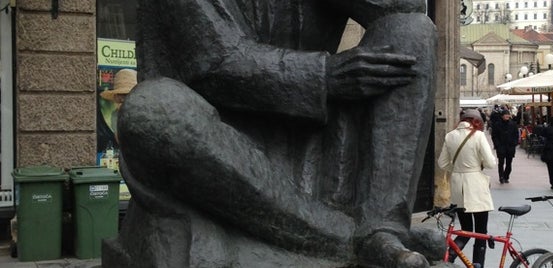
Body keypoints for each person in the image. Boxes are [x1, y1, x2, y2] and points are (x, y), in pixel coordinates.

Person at [112, 1, 438, 267]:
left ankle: (382, 228)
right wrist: (324, 76)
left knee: (411, 32)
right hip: (219, 138)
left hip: (317, 138)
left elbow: (403, 6)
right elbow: (215, 63)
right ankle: (341, 236)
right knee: (153, 109)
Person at [437, 108, 496, 267]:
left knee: (465, 229)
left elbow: (442, 163)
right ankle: (478, 265)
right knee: (481, 232)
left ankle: (449, 257)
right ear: (476, 121)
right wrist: (476, 166)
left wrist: (457, 169)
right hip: (476, 186)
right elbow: (491, 163)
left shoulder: (450, 136)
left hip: (457, 187)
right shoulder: (478, 135)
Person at [491, 110, 519, 183]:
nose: (507, 116)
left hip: (510, 146)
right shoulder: (497, 124)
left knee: (509, 163)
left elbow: (516, 134)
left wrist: (514, 143)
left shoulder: (513, 124)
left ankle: (506, 176)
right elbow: (494, 136)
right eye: (505, 115)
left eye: (508, 115)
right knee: (501, 163)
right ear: (502, 116)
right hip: (501, 146)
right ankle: (501, 177)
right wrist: (497, 145)